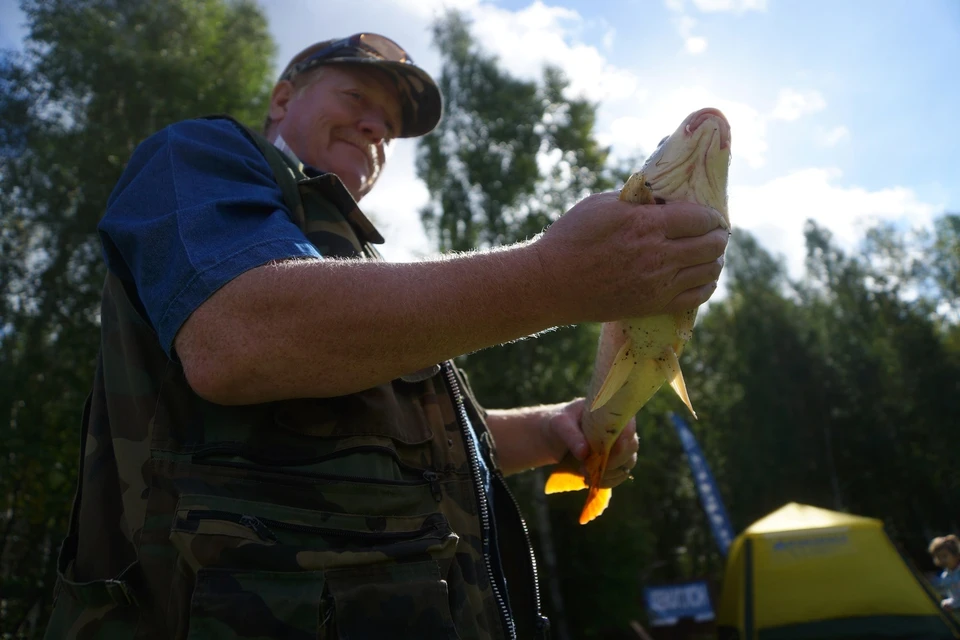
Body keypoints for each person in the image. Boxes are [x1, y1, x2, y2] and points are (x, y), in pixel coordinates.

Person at [44, 33, 728, 639]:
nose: (377, 127)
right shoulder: (199, 156)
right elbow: (237, 337)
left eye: (391, 126)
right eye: (357, 96)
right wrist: (555, 277)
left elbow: (415, 451)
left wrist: (554, 429)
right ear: (283, 99)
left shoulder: (369, 276)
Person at [930, 535, 960, 611]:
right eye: (938, 557)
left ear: (956, 555)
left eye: (944, 556)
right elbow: (953, 597)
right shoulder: (945, 576)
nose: (942, 560)